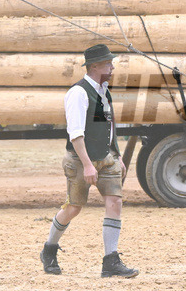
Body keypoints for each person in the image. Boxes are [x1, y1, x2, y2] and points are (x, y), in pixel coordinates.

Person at [40, 43, 138, 278]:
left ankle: (110, 261)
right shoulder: (78, 93)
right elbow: (76, 133)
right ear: (94, 66)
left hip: (106, 157)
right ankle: (49, 249)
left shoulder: (104, 91)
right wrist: (87, 165)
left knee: (115, 202)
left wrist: (117, 155)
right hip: (79, 159)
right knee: (73, 208)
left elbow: (109, 127)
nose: (112, 68)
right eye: (108, 63)